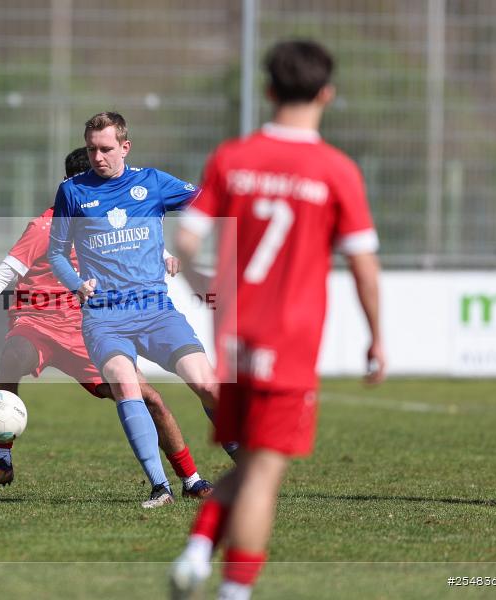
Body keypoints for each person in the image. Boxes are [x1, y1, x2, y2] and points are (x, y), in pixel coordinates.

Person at [169, 39, 386, 600]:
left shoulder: (232, 158)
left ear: (267, 90)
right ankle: (233, 590)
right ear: (327, 93)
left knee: (250, 464)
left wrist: (206, 290)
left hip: (236, 339)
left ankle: (197, 550)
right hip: (289, 343)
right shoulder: (336, 170)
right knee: (264, 475)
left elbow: (185, 242)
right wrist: (377, 338)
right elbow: (363, 267)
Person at [0, 147, 214, 502]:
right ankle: (2, 458)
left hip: (84, 330)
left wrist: (166, 255)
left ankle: (191, 479)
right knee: (14, 354)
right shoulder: (46, 226)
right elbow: (4, 273)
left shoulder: (101, 219)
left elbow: (133, 242)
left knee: (149, 398)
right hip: (38, 324)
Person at [48, 113, 235, 509]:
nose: (97, 157)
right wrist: (76, 283)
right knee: (124, 382)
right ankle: (159, 487)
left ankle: (245, 461)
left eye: (106, 149)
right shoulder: (72, 191)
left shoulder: (152, 182)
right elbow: (57, 253)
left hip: (156, 312)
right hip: (104, 317)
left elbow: (209, 204)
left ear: (125, 147)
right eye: (92, 149)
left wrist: (186, 247)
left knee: (207, 385)